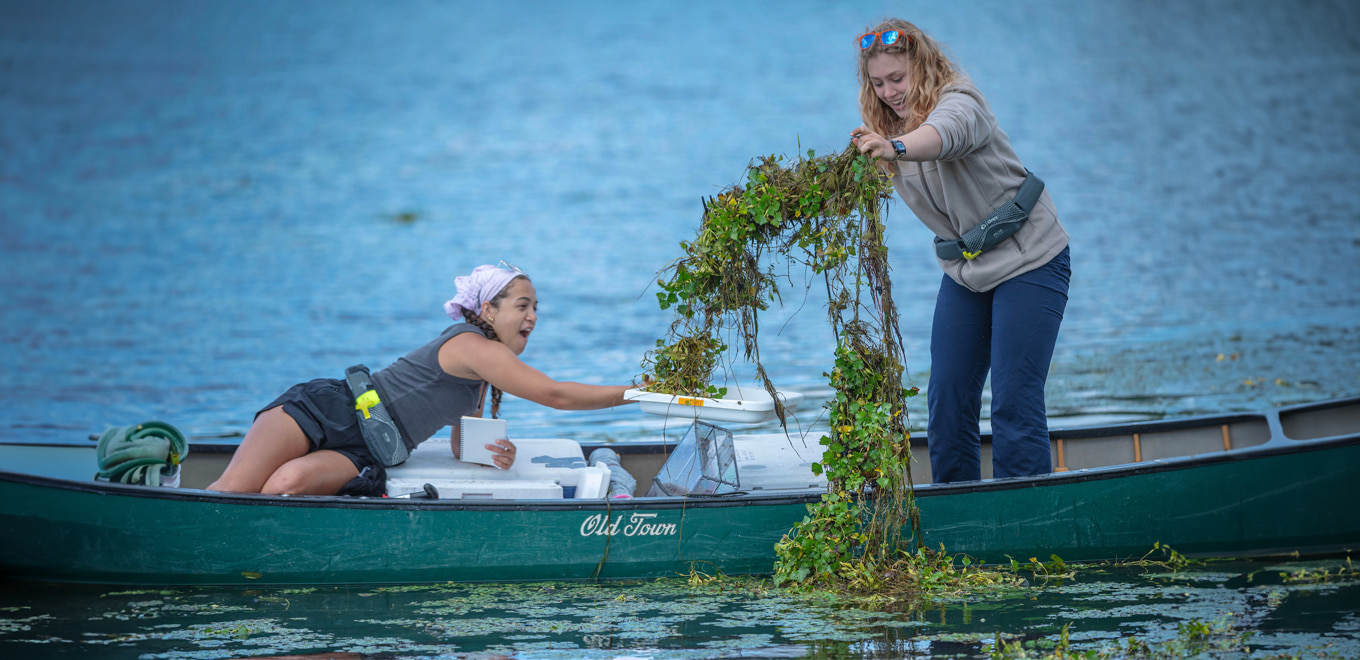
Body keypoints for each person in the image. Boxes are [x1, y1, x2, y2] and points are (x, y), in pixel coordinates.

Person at [849, 19, 1072, 483]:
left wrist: (895, 147)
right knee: (947, 398)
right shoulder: (884, 131)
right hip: (966, 272)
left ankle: (1023, 517)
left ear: (924, 66)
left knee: (1013, 398)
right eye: (878, 83)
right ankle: (957, 517)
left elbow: (943, 136)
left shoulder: (962, 102)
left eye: (898, 78)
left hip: (1031, 259)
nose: (890, 91)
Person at [209, 263, 636, 496]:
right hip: (330, 407)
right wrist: (636, 394)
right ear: (488, 311)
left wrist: (495, 454)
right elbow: (555, 395)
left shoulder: (482, 374)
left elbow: (459, 443)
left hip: (370, 450)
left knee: (286, 485)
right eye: (523, 306)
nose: (533, 317)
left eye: (537, 307)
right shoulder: (474, 347)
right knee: (235, 489)